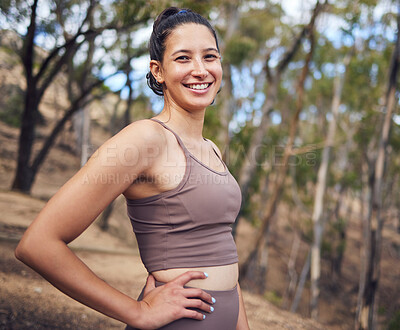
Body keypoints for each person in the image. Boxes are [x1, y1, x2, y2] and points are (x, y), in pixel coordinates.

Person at [15, 7, 250, 330]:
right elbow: (38, 243)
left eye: (210, 57)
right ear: (158, 71)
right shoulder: (145, 139)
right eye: (183, 58)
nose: (200, 69)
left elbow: (224, 255)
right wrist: (137, 311)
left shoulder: (211, 148)